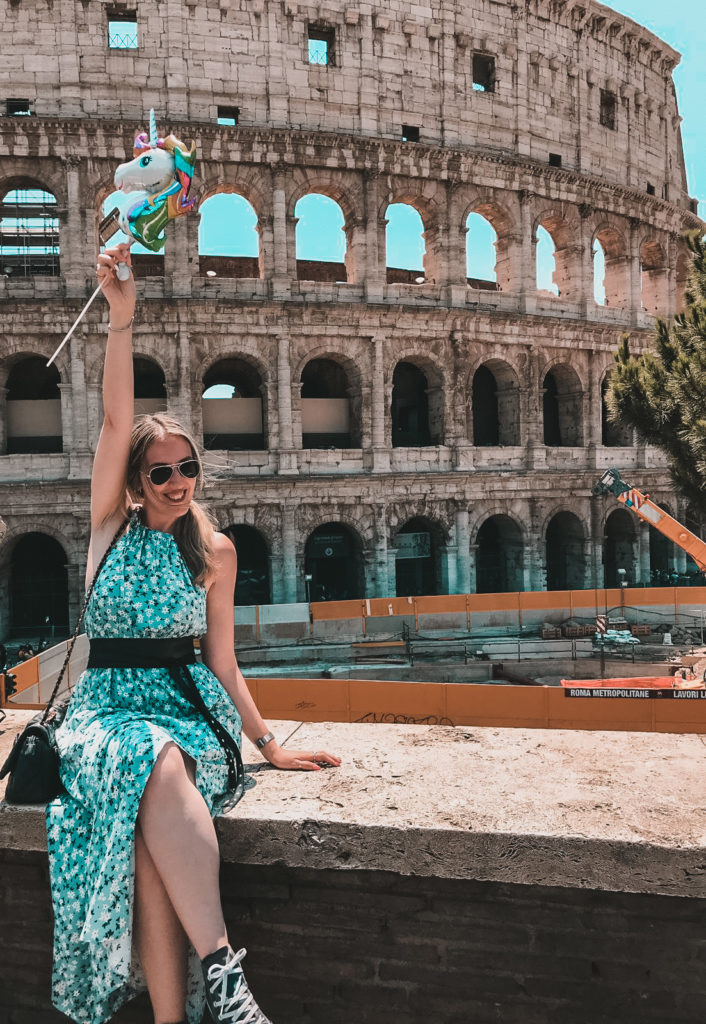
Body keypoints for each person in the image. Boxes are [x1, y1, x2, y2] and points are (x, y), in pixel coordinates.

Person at [46, 243, 341, 1024]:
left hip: (188, 715)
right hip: (108, 714)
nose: (178, 482)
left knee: (155, 807)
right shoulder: (108, 530)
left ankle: (192, 1006)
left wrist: (269, 743)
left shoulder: (217, 551)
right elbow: (115, 418)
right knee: (149, 765)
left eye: (188, 469)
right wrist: (121, 319)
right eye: (160, 473)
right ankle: (223, 978)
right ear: (134, 484)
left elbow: (223, 661)